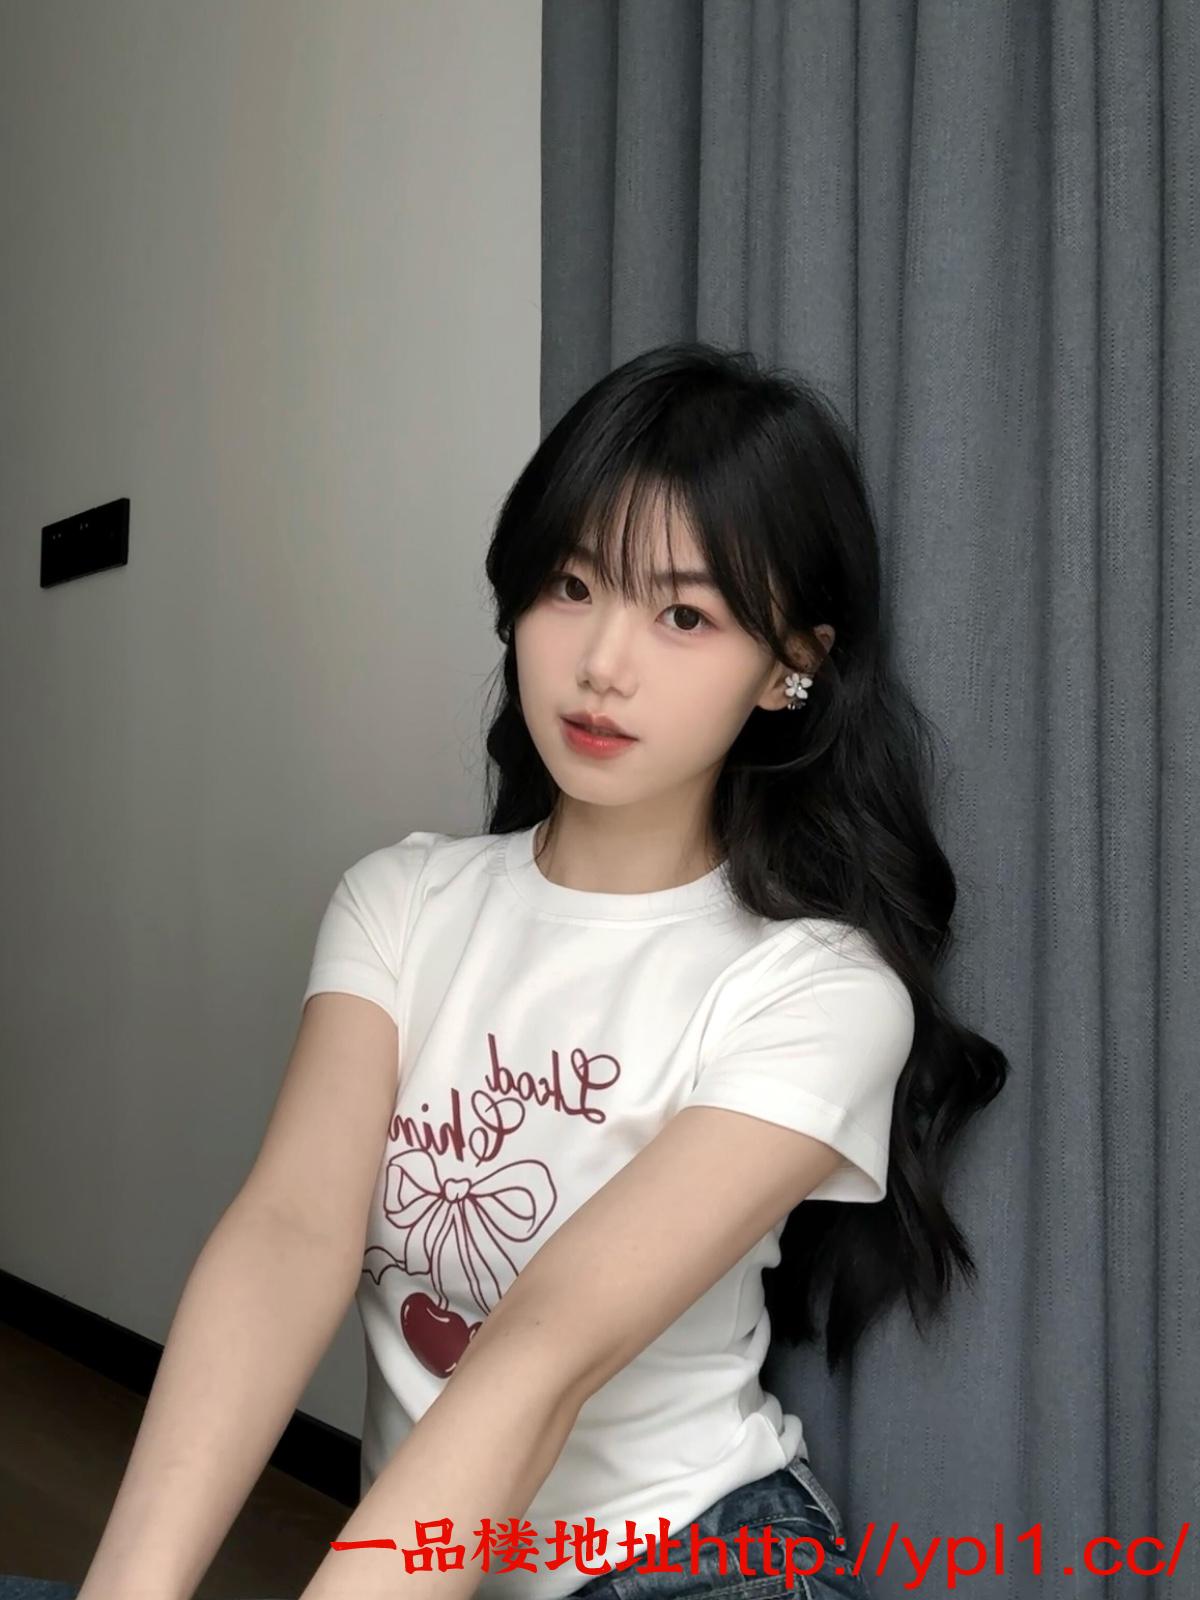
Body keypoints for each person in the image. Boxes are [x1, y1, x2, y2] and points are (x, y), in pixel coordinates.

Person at [4, 342, 1007, 1600]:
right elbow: (290, 1232)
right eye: (572, 585)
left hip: (686, 1559)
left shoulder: (819, 989)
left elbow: (547, 1348)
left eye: (684, 615)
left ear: (787, 666)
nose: (602, 663)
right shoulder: (401, 902)